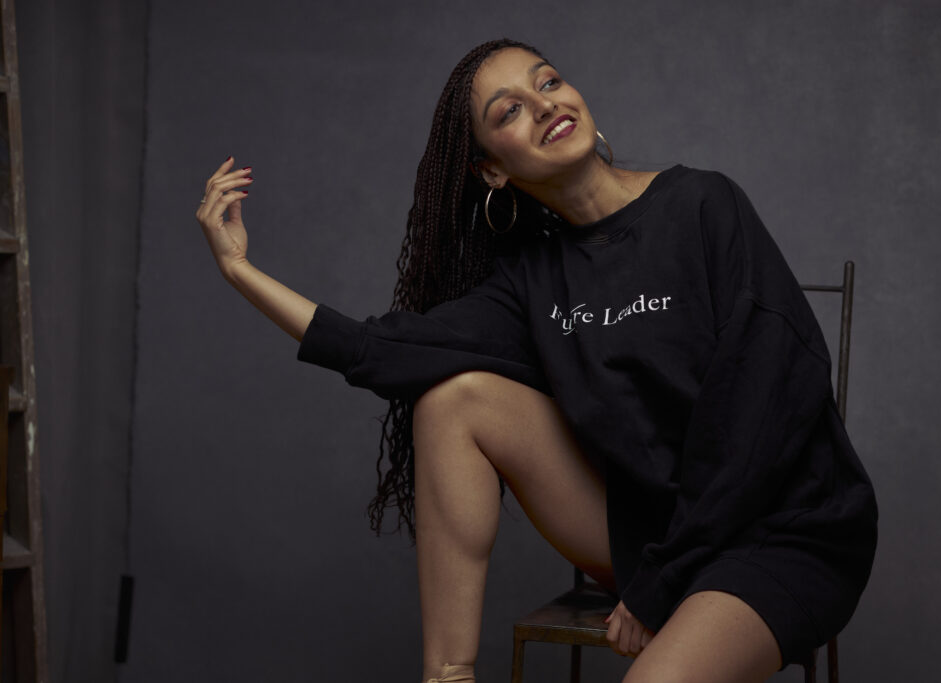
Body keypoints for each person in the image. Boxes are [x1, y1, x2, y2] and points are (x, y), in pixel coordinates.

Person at [195, 38, 877, 683]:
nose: (546, 103)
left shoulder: (703, 204)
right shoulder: (532, 282)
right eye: (510, 110)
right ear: (492, 168)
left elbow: (758, 407)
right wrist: (239, 271)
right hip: (655, 530)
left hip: (780, 529)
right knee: (451, 395)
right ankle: (448, 675)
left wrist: (665, 578)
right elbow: (383, 350)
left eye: (548, 81)